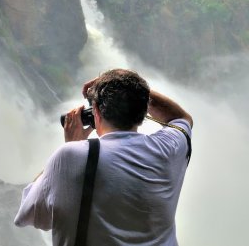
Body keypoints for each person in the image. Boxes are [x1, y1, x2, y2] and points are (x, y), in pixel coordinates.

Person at [14, 69, 193, 246]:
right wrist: (131, 87)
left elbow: (29, 212)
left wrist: (72, 144)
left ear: (96, 112)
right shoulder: (169, 149)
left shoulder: (70, 157)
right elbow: (181, 118)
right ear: (143, 110)